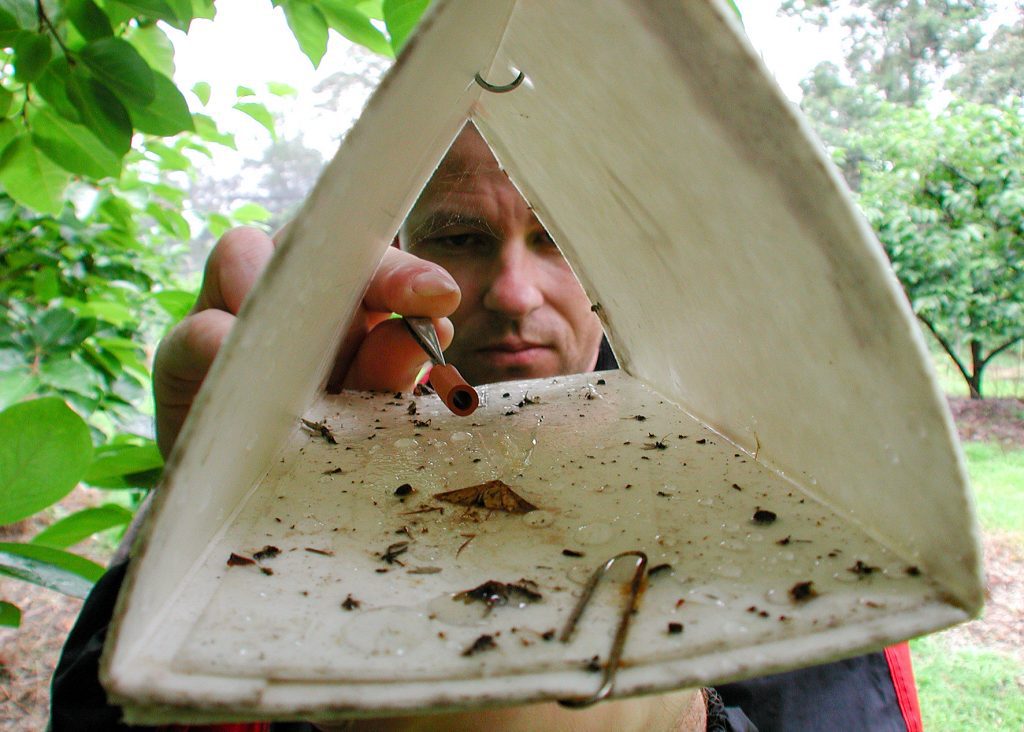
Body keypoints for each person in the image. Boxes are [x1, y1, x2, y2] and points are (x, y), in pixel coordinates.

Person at [52, 125, 920, 731]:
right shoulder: (289, 456)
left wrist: (674, 719)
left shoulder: (763, 492)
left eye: (560, 238)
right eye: (462, 237)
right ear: (398, 250)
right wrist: (217, 540)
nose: (512, 291)